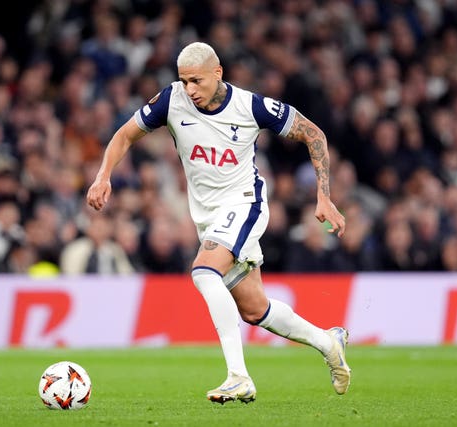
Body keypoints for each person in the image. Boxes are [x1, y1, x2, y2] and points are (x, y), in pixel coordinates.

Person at [86, 42, 350, 403]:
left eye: (196, 80)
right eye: (183, 81)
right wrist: (104, 176)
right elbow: (124, 135)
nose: (190, 89)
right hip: (208, 216)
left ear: (218, 73)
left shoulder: (251, 106)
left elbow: (313, 134)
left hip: (245, 204)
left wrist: (323, 194)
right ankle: (328, 341)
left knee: (204, 271)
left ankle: (238, 376)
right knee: (255, 309)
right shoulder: (171, 100)